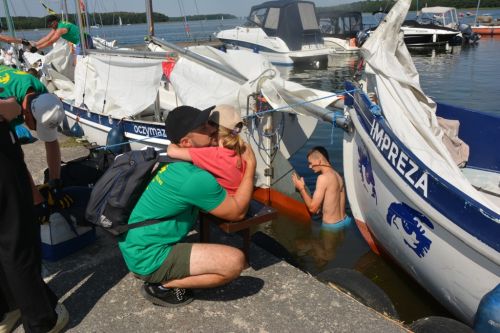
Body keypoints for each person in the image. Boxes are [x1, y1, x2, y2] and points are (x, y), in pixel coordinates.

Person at [118, 105, 256, 307]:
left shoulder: (173, 163)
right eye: (203, 128)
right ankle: (162, 285)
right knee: (234, 262)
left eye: (209, 123)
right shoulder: (193, 177)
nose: (212, 129)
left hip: (135, 245)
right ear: (186, 142)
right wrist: (250, 166)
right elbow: (237, 212)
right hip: (150, 257)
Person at [0, 97, 68, 333]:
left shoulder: (40, 96)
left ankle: (7, 308)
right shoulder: (14, 100)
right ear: (28, 111)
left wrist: (51, 185)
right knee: (18, 245)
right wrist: (10, 108)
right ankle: (42, 322)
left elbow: (47, 145)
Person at [0, 65, 70, 223]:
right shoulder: (7, 106)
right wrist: (37, 201)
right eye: (38, 127)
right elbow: (16, 158)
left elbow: (51, 142)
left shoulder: (42, 93)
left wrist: (55, 182)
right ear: (27, 115)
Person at [167, 104, 246, 195]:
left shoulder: (212, 154)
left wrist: (172, 144)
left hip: (221, 206)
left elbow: (172, 151)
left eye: (211, 124)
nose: (211, 129)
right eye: (204, 127)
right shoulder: (240, 150)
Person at [292, 146, 351, 225]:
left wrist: (301, 188)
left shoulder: (322, 178)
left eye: (310, 163)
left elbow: (312, 208)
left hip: (332, 227)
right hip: (346, 220)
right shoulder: (338, 175)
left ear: (319, 161)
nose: (309, 166)